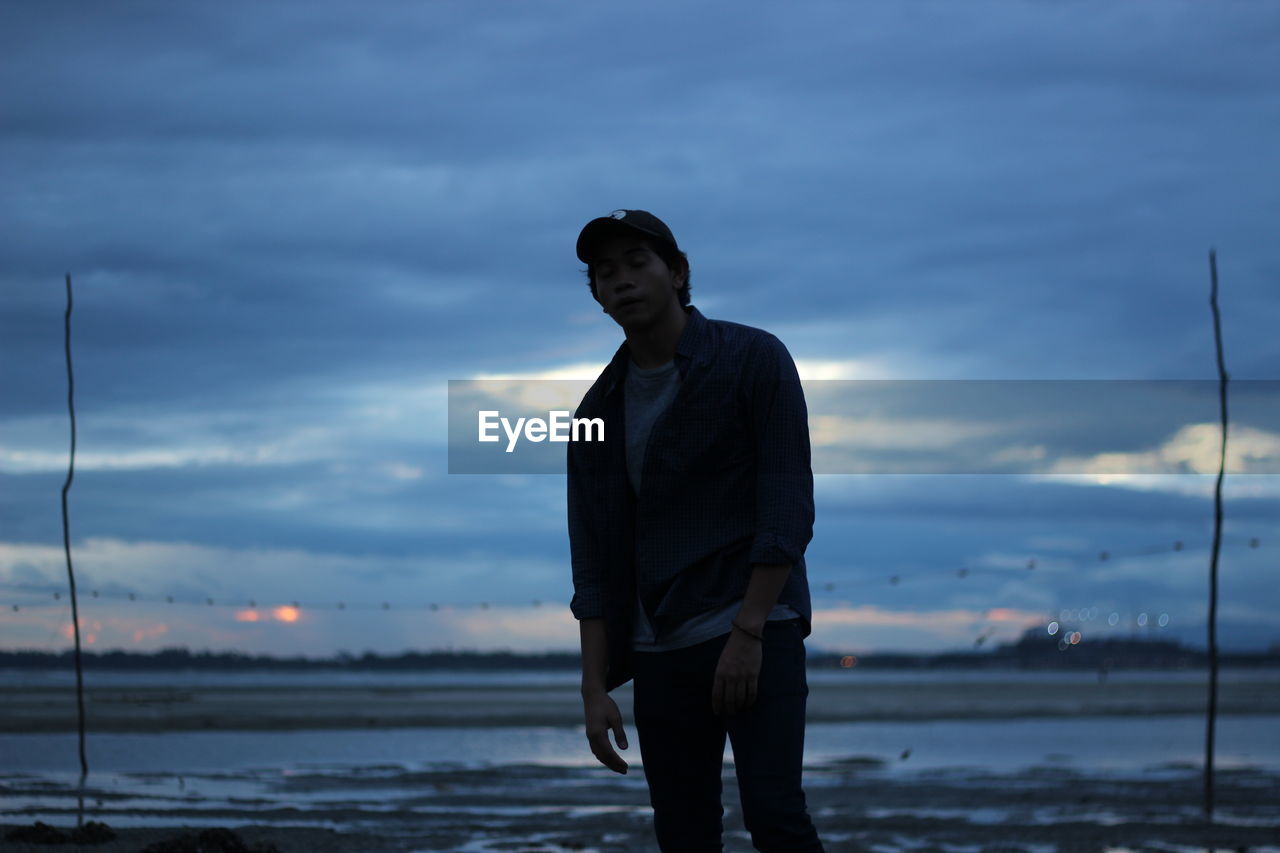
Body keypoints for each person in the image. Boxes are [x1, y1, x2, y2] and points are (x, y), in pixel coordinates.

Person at [567, 209, 825, 852]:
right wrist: (594, 687)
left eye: (636, 262)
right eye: (605, 273)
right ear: (597, 297)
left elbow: (787, 503)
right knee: (683, 832)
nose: (621, 280)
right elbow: (594, 557)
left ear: (678, 273)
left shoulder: (751, 358)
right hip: (658, 647)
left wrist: (749, 629)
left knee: (775, 817)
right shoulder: (596, 412)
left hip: (756, 628)